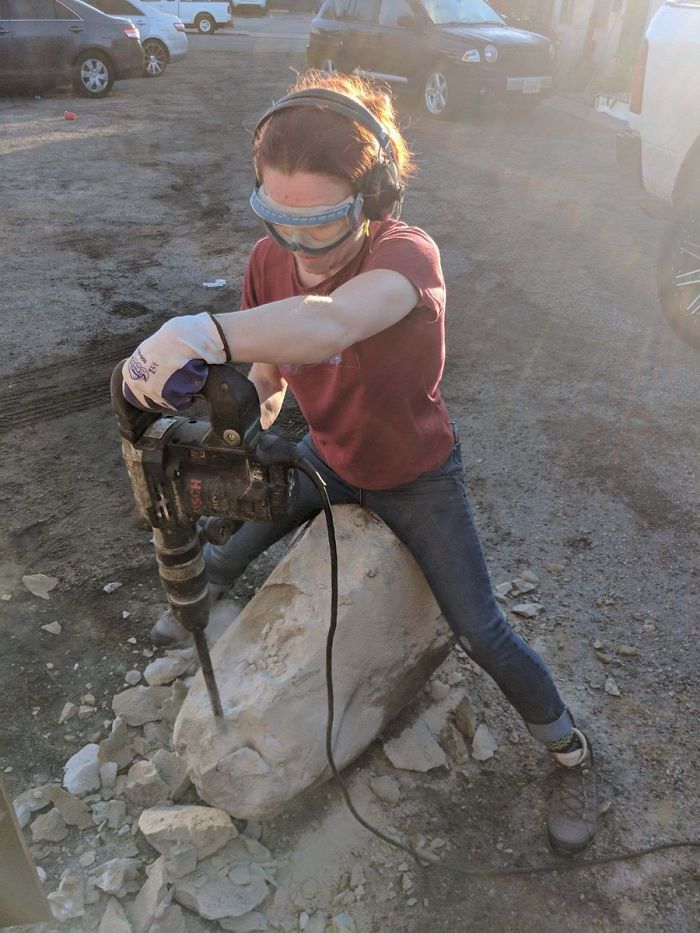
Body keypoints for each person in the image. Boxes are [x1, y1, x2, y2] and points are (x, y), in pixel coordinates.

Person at [122, 71, 598, 856]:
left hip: (417, 476)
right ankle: (199, 607)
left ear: (372, 199)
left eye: (323, 224)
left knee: (482, 629)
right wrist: (243, 425)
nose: (299, 248)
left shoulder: (407, 258)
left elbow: (330, 324)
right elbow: (274, 376)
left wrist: (201, 331)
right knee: (227, 542)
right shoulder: (267, 263)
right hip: (330, 457)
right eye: (279, 219)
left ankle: (569, 750)